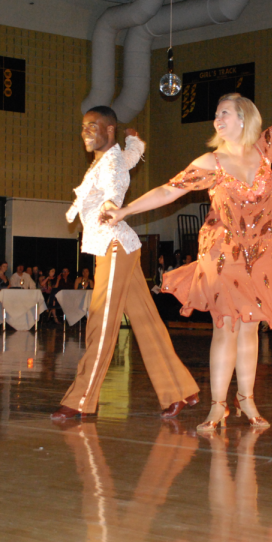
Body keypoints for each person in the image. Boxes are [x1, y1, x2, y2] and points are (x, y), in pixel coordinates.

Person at [104, 70, 272, 430]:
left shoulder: (265, 149)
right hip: (225, 256)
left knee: (250, 329)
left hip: (262, 256)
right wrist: (125, 210)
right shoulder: (211, 164)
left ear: (243, 118)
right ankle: (218, 405)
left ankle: (247, 401)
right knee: (227, 327)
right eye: (217, 114)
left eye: (224, 113)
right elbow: (167, 191)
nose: (217, 119)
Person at [55, 106, 200, 422]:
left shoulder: (109, 166)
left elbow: (116, 185)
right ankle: (179, 389)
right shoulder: (109, 159)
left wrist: (111, 204)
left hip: (115, 247)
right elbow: (129, 159)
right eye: (83, 127)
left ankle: (81, 400)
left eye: (92, 126)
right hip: (119, 247)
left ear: (109, 130)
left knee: (101, 323)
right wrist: (136, 143)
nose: (86, 132)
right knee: (147, 322)